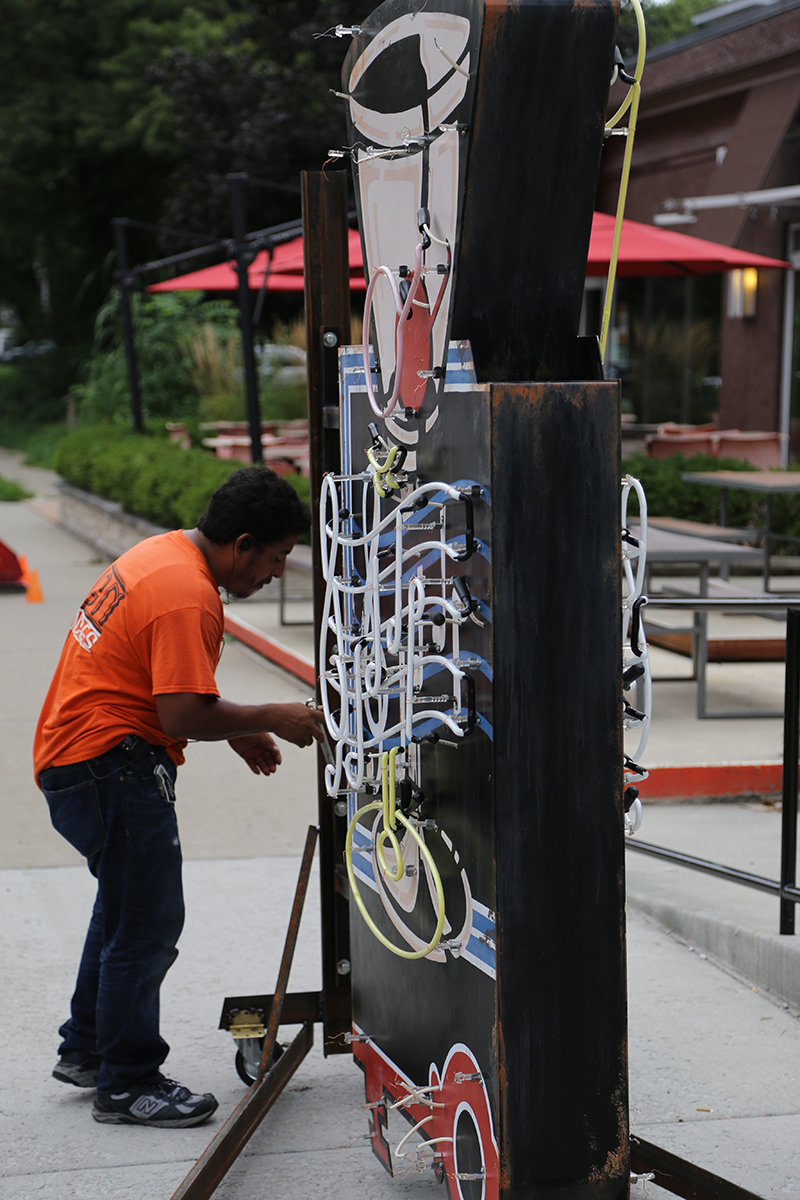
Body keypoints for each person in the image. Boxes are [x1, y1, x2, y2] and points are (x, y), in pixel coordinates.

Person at [33, 465, 325, 1128]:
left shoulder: (164, 555)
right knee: (147, 924)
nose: (278, 573)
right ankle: (128, 1081)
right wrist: (272, 715)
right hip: (111, 769)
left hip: (77, 760)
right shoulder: (186, 594)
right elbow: (182, 715)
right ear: (242, 544)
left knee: (121, 909)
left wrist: (240, 729)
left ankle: (86, 1050)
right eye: (277, 558)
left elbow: (172, 690)